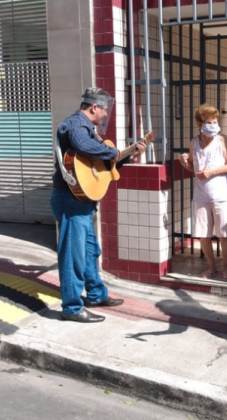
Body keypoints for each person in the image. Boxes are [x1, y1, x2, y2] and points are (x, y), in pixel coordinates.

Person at [51, 87, 145, 323]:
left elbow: (102, 166)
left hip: (83, 201)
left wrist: (124, 156)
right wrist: (112, 151)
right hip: (71, 200)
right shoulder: (76, 124)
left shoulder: (89, 131)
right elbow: (85, 146)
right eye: (104, 110)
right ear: (94, 107)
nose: (106, 115)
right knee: (74, 255)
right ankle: (72, 308)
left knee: (91, 250)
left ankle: (95, 294)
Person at [178, 104, 227, 279]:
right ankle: (211, 267)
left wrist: (211, 172)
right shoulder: (193, 143)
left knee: (223, 235)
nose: (213, 125)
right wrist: (184, 163)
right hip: (201, 194)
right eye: (209, 122)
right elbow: (193, 168)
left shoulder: (222, 140)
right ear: (199, 123)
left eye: (215, 121)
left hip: (222, 195)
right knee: (203, 234)